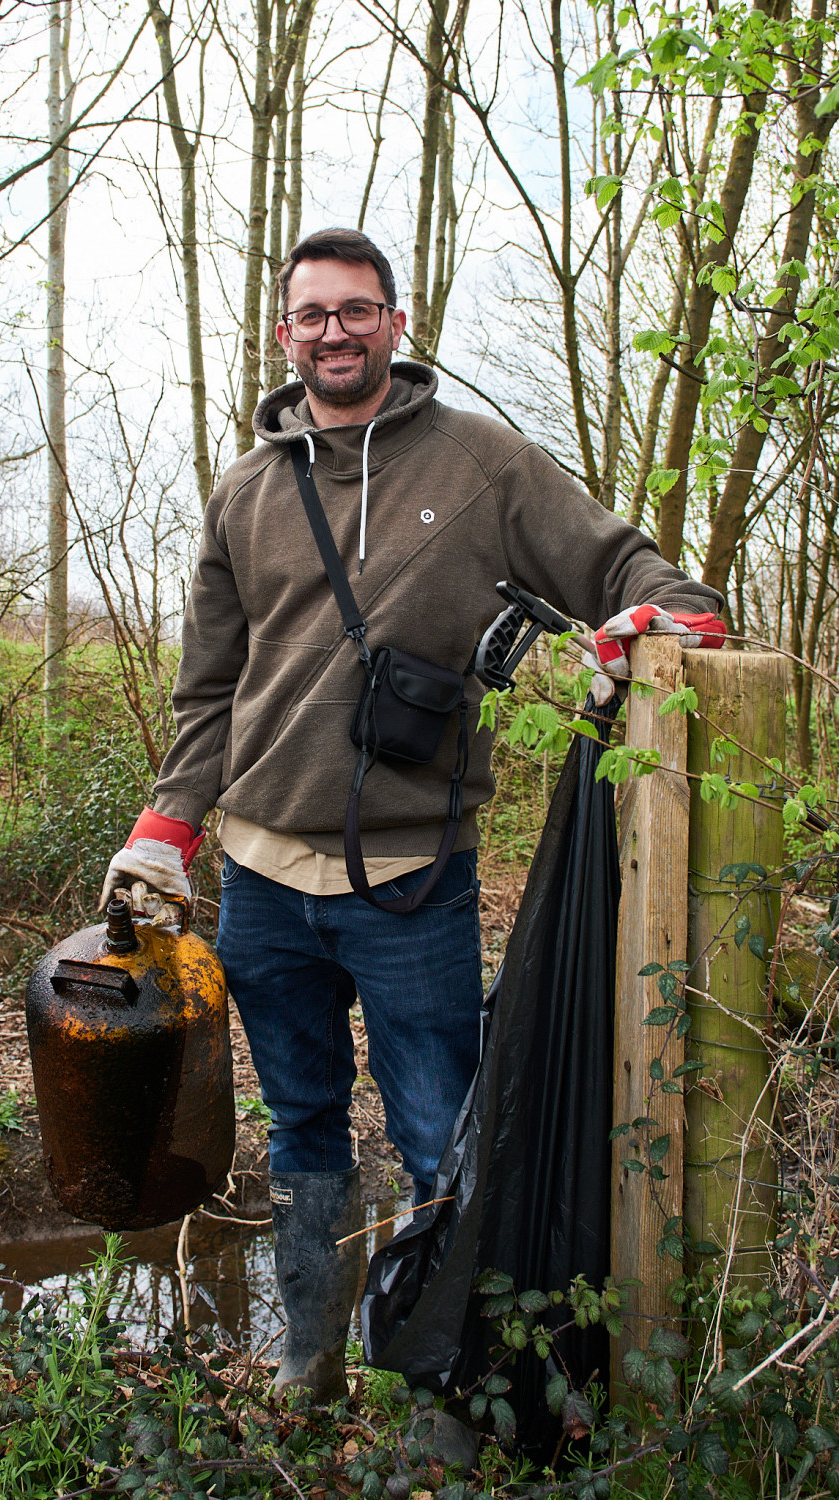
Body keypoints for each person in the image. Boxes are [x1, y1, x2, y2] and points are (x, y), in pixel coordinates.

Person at [102, 227, 725, 1404]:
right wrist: (164, 831)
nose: (333, 331)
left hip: (413, 882)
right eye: (310, 314)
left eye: (356, 310)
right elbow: (208, 691)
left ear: (398, 320)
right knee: (300, 1129)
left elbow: (641, 574)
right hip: (263, 886)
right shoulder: (244, 491)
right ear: (282, 335)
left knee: (443, 1132)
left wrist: (650, 628)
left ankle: (454, 1379)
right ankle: (311, 1355)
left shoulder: (483, 464)